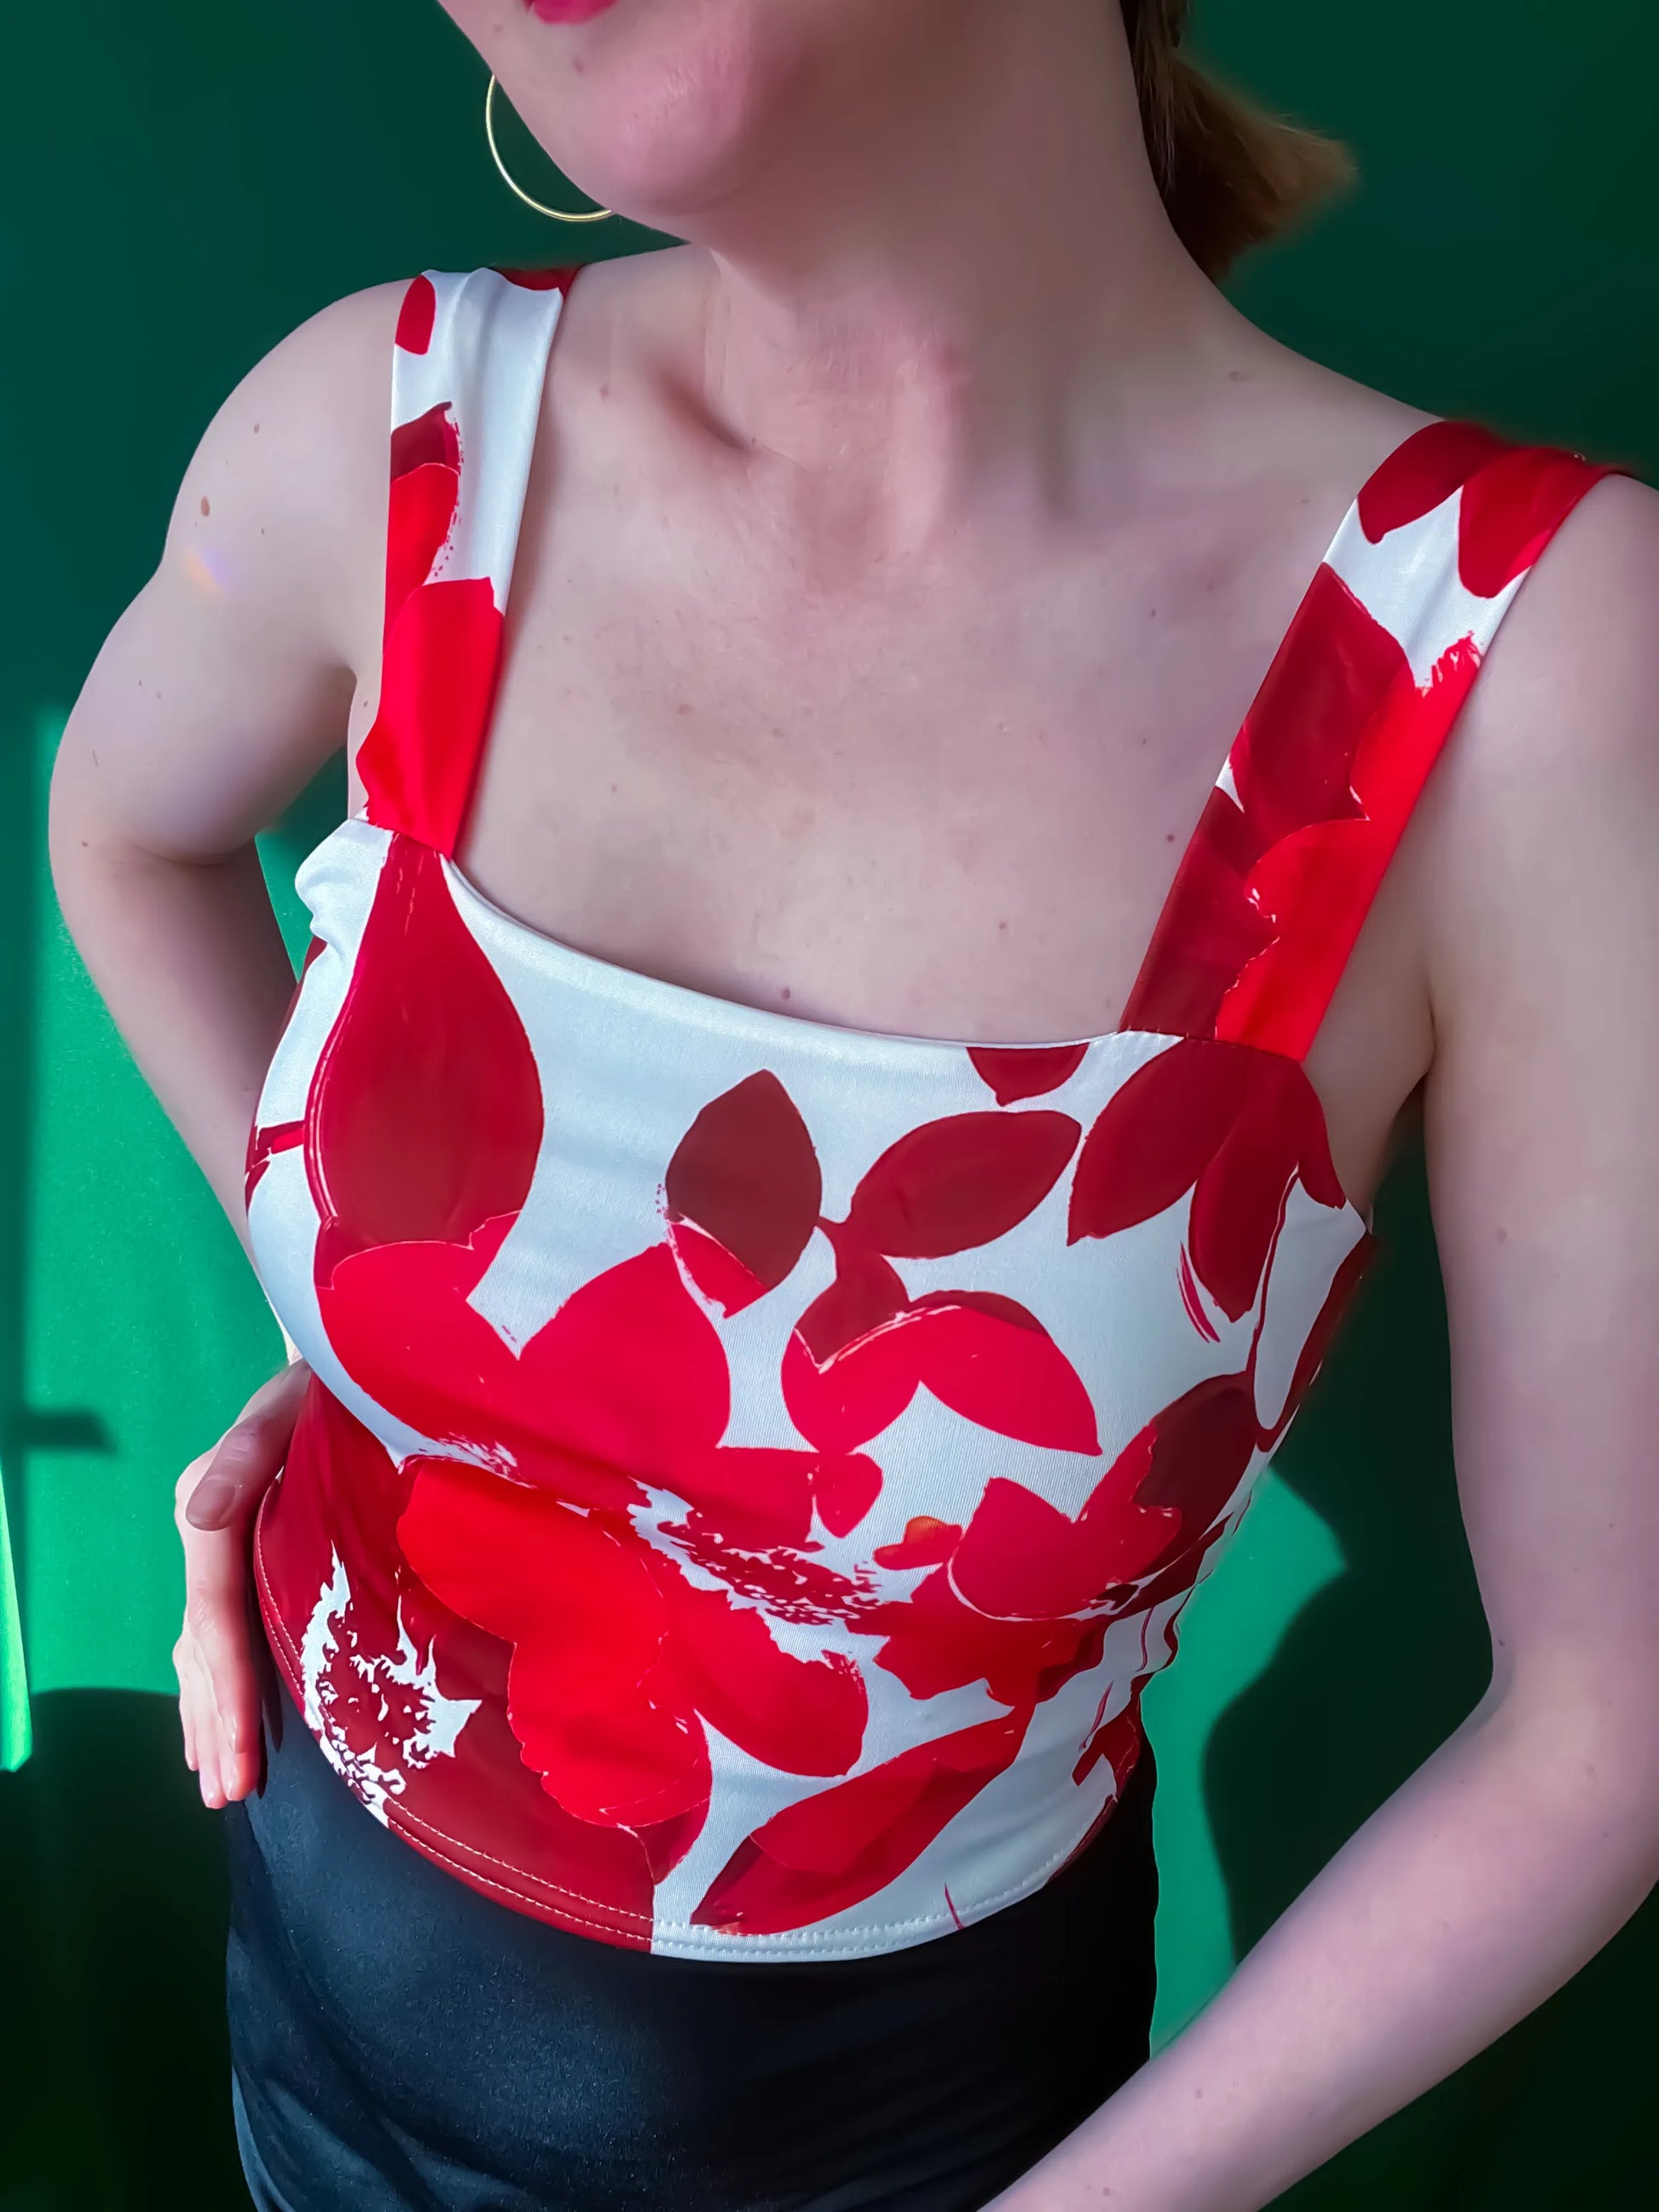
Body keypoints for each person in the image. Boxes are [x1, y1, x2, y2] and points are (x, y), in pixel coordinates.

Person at [47, 3, 1659, 2208]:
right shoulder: (380, 437)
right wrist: (365, 1341)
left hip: (919, 2143)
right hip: (296, 1996)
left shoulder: (1516, 674)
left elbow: (1602, 1727)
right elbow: (115, 829)